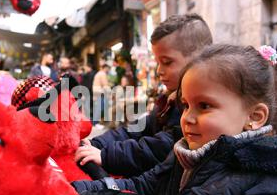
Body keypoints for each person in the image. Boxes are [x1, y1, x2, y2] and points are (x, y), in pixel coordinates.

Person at [73, 44, 277, 195]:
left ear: (254, 116)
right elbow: (143, 186)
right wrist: (75, 191)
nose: (188, 118)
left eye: (204, 106)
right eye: (186, 105)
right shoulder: (187, 154)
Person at [75, 14, 213, 177]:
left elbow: (160, 148)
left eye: (167, 62)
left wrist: (106, 156)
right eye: (158, 62)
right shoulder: (169, 99)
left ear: (198, 59)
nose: (159, 70)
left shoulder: (195, 105)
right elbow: (141, 128)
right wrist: (97, 143)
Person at [92, 61, 111, 127]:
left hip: (98, 94)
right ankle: (95, 123)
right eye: (108, 68)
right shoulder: (102, 74)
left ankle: (96, 122)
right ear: (105, 68)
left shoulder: (99, 73)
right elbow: (105, 85)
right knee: (99, 108)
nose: (108, 70)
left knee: (98, 108)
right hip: (100, 94)